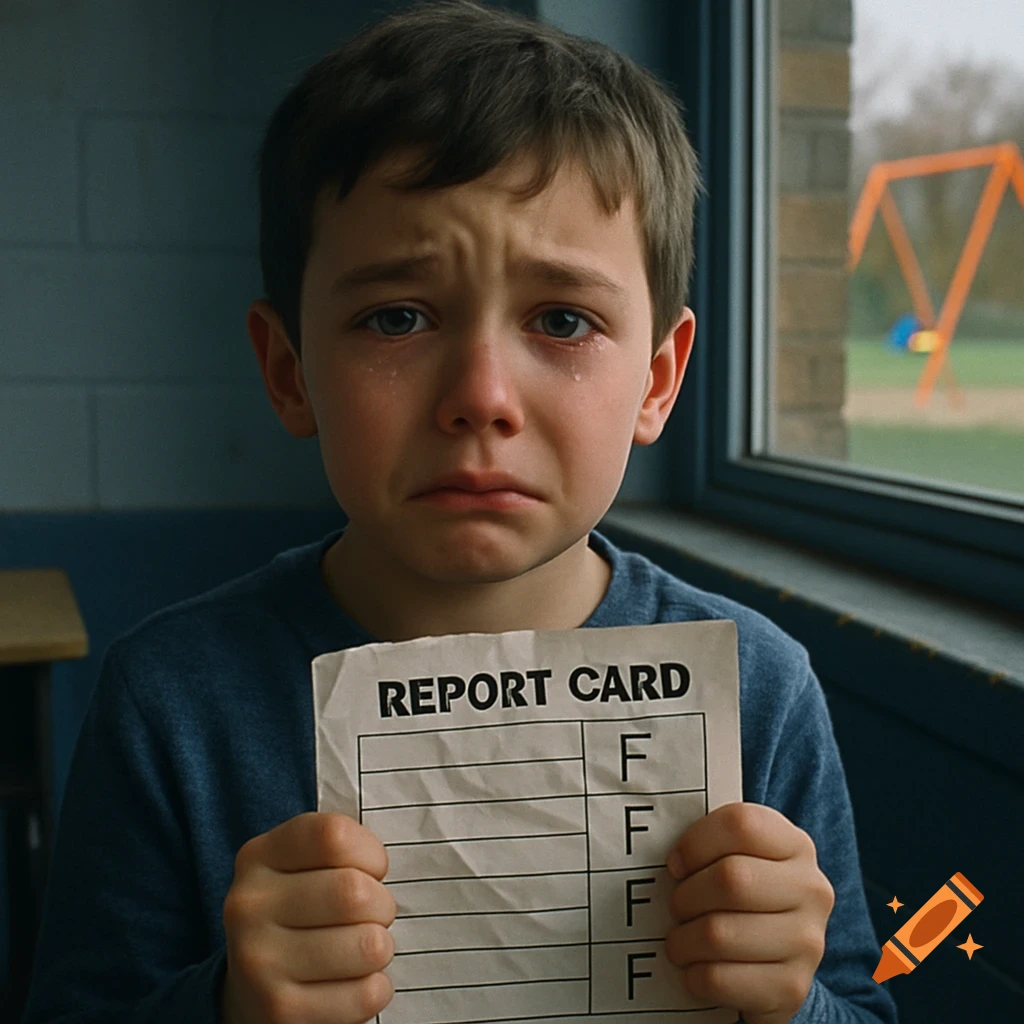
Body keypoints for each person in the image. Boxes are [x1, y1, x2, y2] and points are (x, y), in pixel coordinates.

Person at [20, 2, 899, 1022]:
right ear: (288, 369)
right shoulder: (169, 703)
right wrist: (226, 1005)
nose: (480, 392)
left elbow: (853, 1008)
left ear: (658, 380)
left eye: (562, 320)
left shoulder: (759, 691)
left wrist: (788, 1003)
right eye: (397, 316)